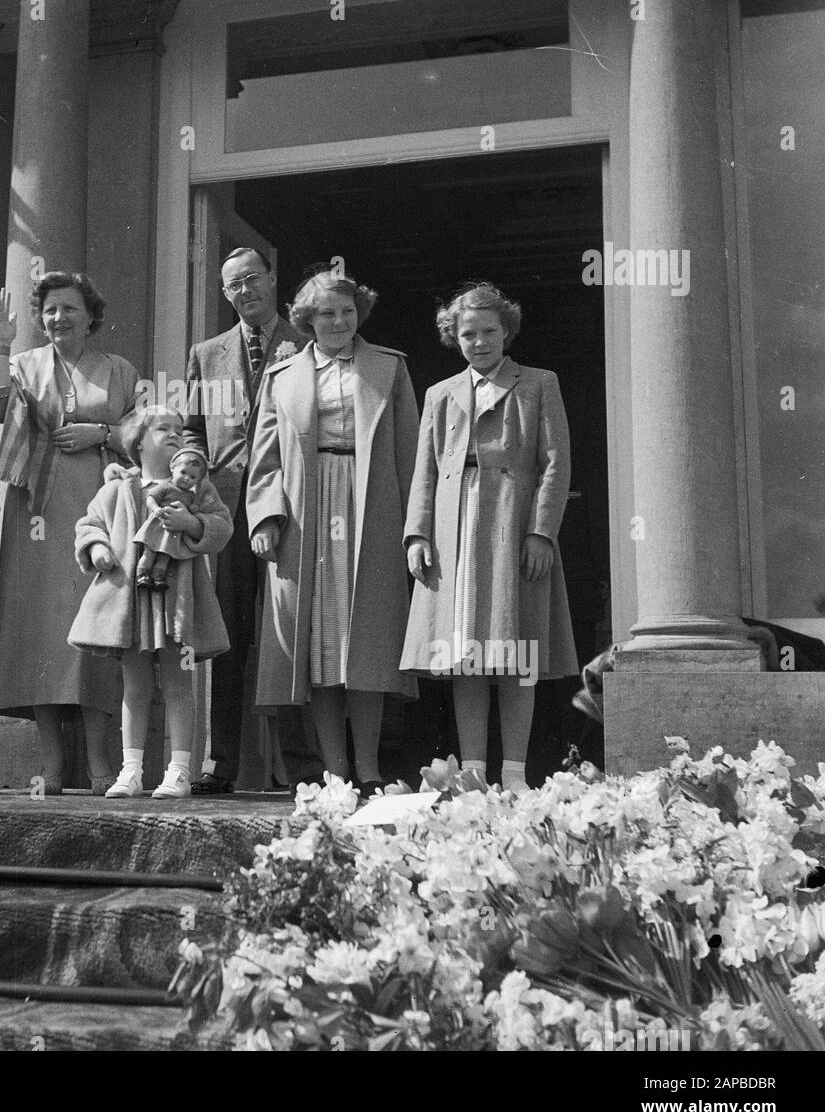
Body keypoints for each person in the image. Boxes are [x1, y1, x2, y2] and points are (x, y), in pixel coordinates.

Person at [400, 282, 579, 792]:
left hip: (512, 522)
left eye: (489, 332)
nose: (479, 342)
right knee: (466, 656)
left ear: (507, 332)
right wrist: (418, 534)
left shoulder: (539, 382)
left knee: (516, 650)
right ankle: (475, 772)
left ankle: (517, 774)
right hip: (455, 528)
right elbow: (425, 471)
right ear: (454, 338)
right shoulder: (440, 393)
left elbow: (554, 464)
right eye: (468, 334)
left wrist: (541, 532)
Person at [248, 271, 421, 798]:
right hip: (306, 508)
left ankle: (369, 769)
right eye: (327, 313)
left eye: (347, 311)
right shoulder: (282, 376)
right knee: (318, 644)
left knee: (364, 640)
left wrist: (416, 529)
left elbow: (412, 454)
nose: (339, 321)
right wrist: (265, 516)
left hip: (373, 504)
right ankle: (335, 770)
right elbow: (265, 456)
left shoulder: (389, 368)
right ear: (308, 319)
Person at [0, 273, 139, 794]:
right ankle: (51, 766)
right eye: (49, 310)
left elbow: (146, 436)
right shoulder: (24, 364)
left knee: (95, 631)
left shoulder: (117, 370)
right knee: (42, 634)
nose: (58, 318)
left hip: (99, 512)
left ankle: (99, 764)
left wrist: (104, 434)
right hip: (36, 516)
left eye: (69, 309)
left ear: (90, 316)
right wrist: (2, 344)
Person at [184, 247, 317, 796]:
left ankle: (304, 768)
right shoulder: (205, 353)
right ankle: (223, 764)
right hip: (225, 506)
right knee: (229, 635)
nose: (245, 291)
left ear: (272, 280)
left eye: (254, 279)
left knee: (289, 628)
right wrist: (188, 461)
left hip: (287, 500)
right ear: (224, 293)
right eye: (234, 285)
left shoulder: (305, 342)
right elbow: (193, 427)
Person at [69, 408, 233, 798]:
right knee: (135, 685)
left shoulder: (198, 491)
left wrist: (193, 525)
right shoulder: (116, 488)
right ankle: (132, 769)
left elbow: (221, 525)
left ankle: (178, 770)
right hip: (132, 603)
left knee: (179, 683)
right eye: (164, 429)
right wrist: (96, 548)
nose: (176, 435)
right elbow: (89, 524)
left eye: (179, 430)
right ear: (139, 442)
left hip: (179, 603)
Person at [134, 446, 210, 590]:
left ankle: (158, 577)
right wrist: (156, 508)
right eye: (183, 472)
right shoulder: (166, 487)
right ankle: (142, 574)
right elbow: (151, 497)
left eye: (193, 477)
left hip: (174, 532)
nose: (187, 478)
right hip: (158, 525)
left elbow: (194, 509)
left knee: (165, 557)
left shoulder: (191, 496)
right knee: (149, 552)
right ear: (173, 469)